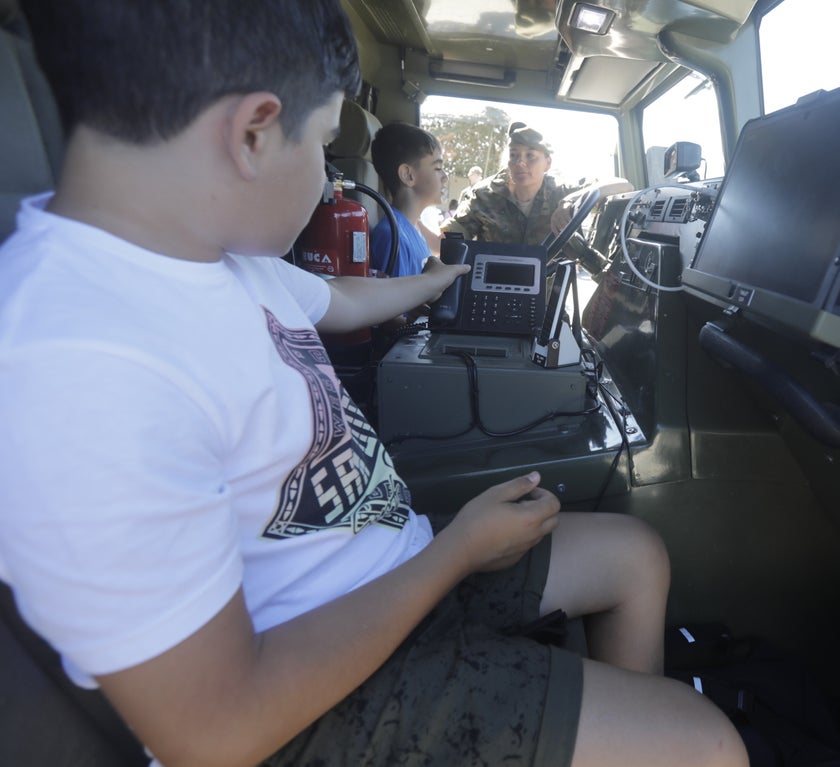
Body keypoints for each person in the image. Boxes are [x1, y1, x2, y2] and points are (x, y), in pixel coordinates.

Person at [0, 3, 748, 767]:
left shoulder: (212, 254)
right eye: (326, 146)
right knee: (710, 743)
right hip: (307, 703)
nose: (332, 180)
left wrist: (442, 280)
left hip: (391, 574)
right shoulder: (74, 361)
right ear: (254, 132)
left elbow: (349, 299)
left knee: (634, 555)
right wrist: (455, 553)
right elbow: (215, 732)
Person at [444, 121, 633, 248]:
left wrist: (571, 200)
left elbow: (624, 185)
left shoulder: (562, 191)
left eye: (530, 156)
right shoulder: (483, 195)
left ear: (547, 163)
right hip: (492, 295)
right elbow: (447, 239)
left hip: (549, 300)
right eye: (514, 155)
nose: (520, 163)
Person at [369, 121, 447, 276]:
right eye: (438, 168)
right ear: (408, 175)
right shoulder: (392, 237)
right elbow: (401, 299)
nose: (445, 177)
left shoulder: (414, 228)